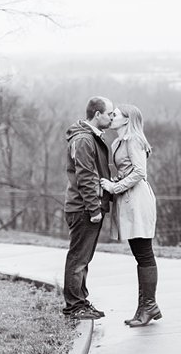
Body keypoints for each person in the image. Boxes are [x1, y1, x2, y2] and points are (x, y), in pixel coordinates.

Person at [100, 104, 161, 327]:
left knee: (144, 253)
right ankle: (144, 306)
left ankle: (149, 305)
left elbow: (139, 172)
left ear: (126, 120)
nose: (111, 117)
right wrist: (115, 182)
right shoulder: (117, 142)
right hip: (128, 200)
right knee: (139, 254)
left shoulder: (134, 140)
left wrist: (114, 187)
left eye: (115, 115)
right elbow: (126, 171)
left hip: (138, 200)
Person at [63, 96, 115, 320]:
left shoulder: (88, 137)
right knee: (78, 258)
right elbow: (85, 176)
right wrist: (94, 209)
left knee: (83, 258)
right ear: (97, 114)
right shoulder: (84, 139)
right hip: (84, 207)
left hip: (87, 205)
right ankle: (74, 307)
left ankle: (81, 301)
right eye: (109, 114)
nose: (112, 117)